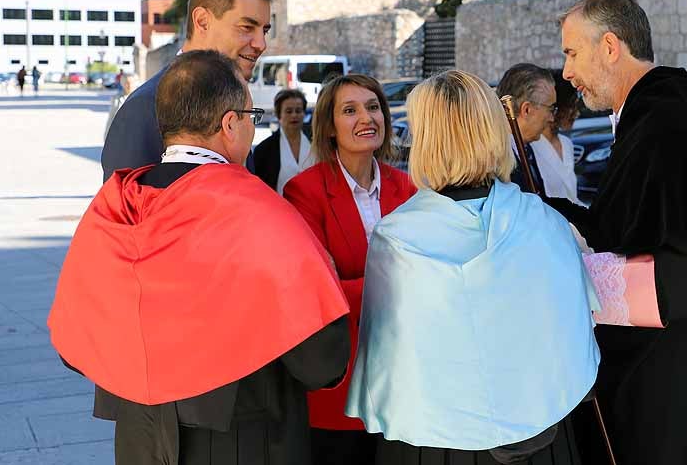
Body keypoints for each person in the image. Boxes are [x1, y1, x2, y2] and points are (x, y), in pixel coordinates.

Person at [48, 50, 351, 465]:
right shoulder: (258, 211)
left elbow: (74, 348)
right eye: (251, 116)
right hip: (244, 436)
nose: (251, 127)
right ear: (230, 124)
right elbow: (321, 362)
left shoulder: (112, 208)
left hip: (140, 436)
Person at [546, 0, 687, 464]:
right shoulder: (666, 110)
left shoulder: (665, 121)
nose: (566, 73)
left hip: (668, 366)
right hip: (683, 348)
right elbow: (631, 225)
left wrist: (574, 280)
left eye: (571, 53)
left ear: (609, 46)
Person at [346, 69, 600, 464]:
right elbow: (575, 330)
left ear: (427, 138)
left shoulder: (397, 239)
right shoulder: (542, 219)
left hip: (438, 442)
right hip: (545, 429)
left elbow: (390, 369)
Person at [283, 74, 416, 465]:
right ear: (329, 127)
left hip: (402, 379)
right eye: (350, 110)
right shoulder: (304, 192)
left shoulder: (406, 187)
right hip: (341, 380)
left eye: (373, 107)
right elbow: (318, 290)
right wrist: (397, 286)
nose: (366, 117)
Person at [101, 0, 274, 181]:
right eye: (247, 28)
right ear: (202, 21)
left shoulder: (237, 100)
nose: (261, 44)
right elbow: (124, 209)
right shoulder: (145, 106)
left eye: (265, 31)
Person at [495, 63, 556, 194]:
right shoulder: (494, 158)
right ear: (526, 110)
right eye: (550, 109)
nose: (552, 118)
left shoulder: (527, 148)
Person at [530, 69, 583, 205]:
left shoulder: (566, 144)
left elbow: (573, 198)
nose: (576, 113)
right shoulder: (530, 147)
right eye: (572, 106)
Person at [254, 89, 314, 193]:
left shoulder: (315, 142)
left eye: (298, 111)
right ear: (278, 115)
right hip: (278, 207)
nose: (294, 115)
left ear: (304, 113)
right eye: (289, 111)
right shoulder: (264, 149)